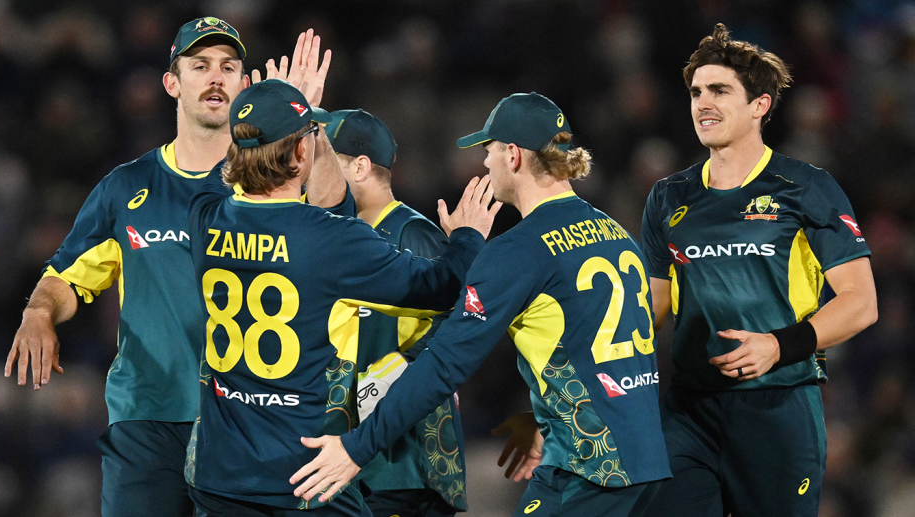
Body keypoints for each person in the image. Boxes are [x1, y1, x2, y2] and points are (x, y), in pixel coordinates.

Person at [3, 19, 336, 516]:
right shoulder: (125, 187)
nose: (216, 77)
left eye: (228, 66)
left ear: (244, 84)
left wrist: (306, 122)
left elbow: (333, 209)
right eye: (199, 66)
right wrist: (36, 313)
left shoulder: (273, 177)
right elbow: (68, 276)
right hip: (147, 420)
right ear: (172, 83)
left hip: (251, 419)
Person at [291, 92, 671, 517]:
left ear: (513, 155)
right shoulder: (615, 231)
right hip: (646, 460)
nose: (484, 164)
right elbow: (605, 350)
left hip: (592, 470)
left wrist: (356, 448)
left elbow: (445, 363)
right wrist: (547, 419)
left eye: (488, 151)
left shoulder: (521, 249)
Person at [185, 79, 497, 516]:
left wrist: (262, 119)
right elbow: (441, 288)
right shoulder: (331, 240)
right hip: (301, 476)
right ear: (300, 155)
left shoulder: (204, 217)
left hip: (219, 475)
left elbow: (216, 175)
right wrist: (468, 236)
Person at [638, 24, 878, 517]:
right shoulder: (668, 196)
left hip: (778, 408)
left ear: (760, 106)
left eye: (720, 90)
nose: (703, 102)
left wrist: (777, 346)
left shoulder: (806, 188)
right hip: (687, 413)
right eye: (696, 92)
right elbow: (652, 309)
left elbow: (861, 303)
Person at [326, 108, 467, 516]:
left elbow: (463, 323)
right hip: (358, 457)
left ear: (360, 166)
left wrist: (402, 364)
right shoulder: (337, 233)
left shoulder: (412, 233)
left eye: (325, 159)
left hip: (406, 462)